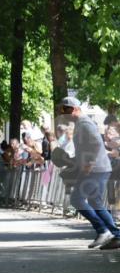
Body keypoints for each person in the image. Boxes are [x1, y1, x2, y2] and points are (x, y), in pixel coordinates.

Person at [58, 97, 120, 249]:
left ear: (76, 109)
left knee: (77, 199)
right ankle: (113, 235)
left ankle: (104, 231)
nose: (64, 112)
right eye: (62, 110)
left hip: (95, 169)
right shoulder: (80, 124)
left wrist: (89, 163)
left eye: (67, 109)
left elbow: (96, 143)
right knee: (94, 201)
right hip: (96, 168)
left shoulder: (85, 123)